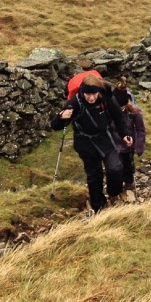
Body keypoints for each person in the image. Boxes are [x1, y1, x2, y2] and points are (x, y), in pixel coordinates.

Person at [51, 74, 132, 213]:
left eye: (94, 94)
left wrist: (125, 134)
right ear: (82, 91)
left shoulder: (106, 98)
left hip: (105, 138)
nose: (91, 98)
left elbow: (118, 117)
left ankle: (114, 193)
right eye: (87, 94)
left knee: (115, 168)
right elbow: (55, 126)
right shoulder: (74, 103)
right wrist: (60, 117)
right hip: (85, 143)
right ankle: (99, 205)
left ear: (98, 91)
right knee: (94, 175)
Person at [111, 78, 146, 202]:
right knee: (115, 167)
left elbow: (141, 130)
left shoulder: (135, 113)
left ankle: (129, 183)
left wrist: (138, 146)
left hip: (129, 146)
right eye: (117, 107)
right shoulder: (108, 112)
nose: (120, 109)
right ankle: (116, 190)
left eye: (122, 107)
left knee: (128, 165)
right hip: (114, 145)